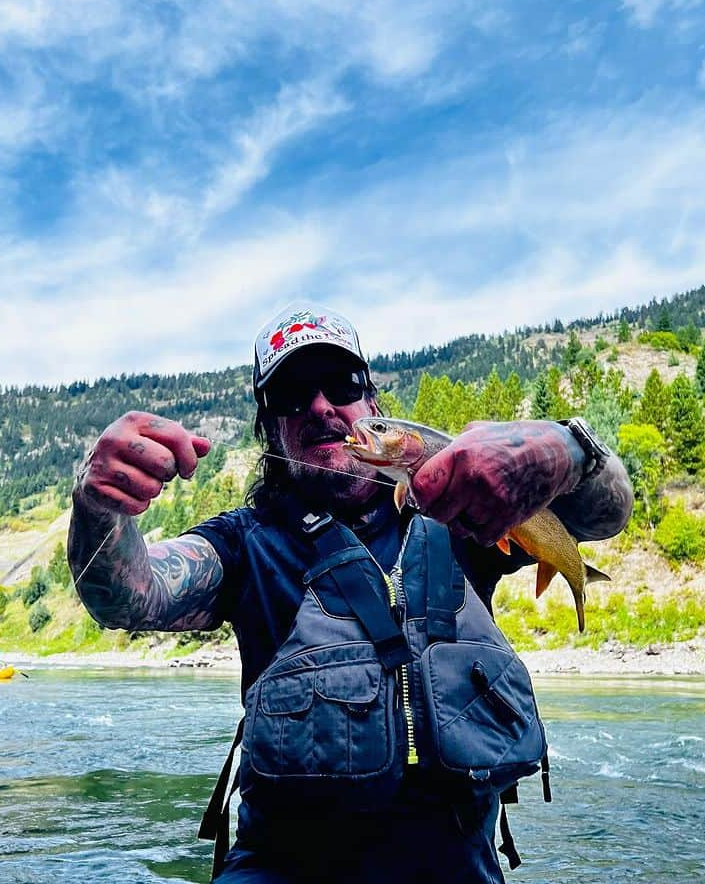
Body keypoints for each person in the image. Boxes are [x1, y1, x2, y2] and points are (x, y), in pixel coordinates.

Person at [69, 302, 633, 883]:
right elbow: (124, 595)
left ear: (371, 402)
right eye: (291, 393)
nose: (319, 406)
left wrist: (567, 451)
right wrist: (99, 505)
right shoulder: (243, 544)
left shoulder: (468, 511)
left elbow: (609, 513)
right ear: (271, 427)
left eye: (340, 384)